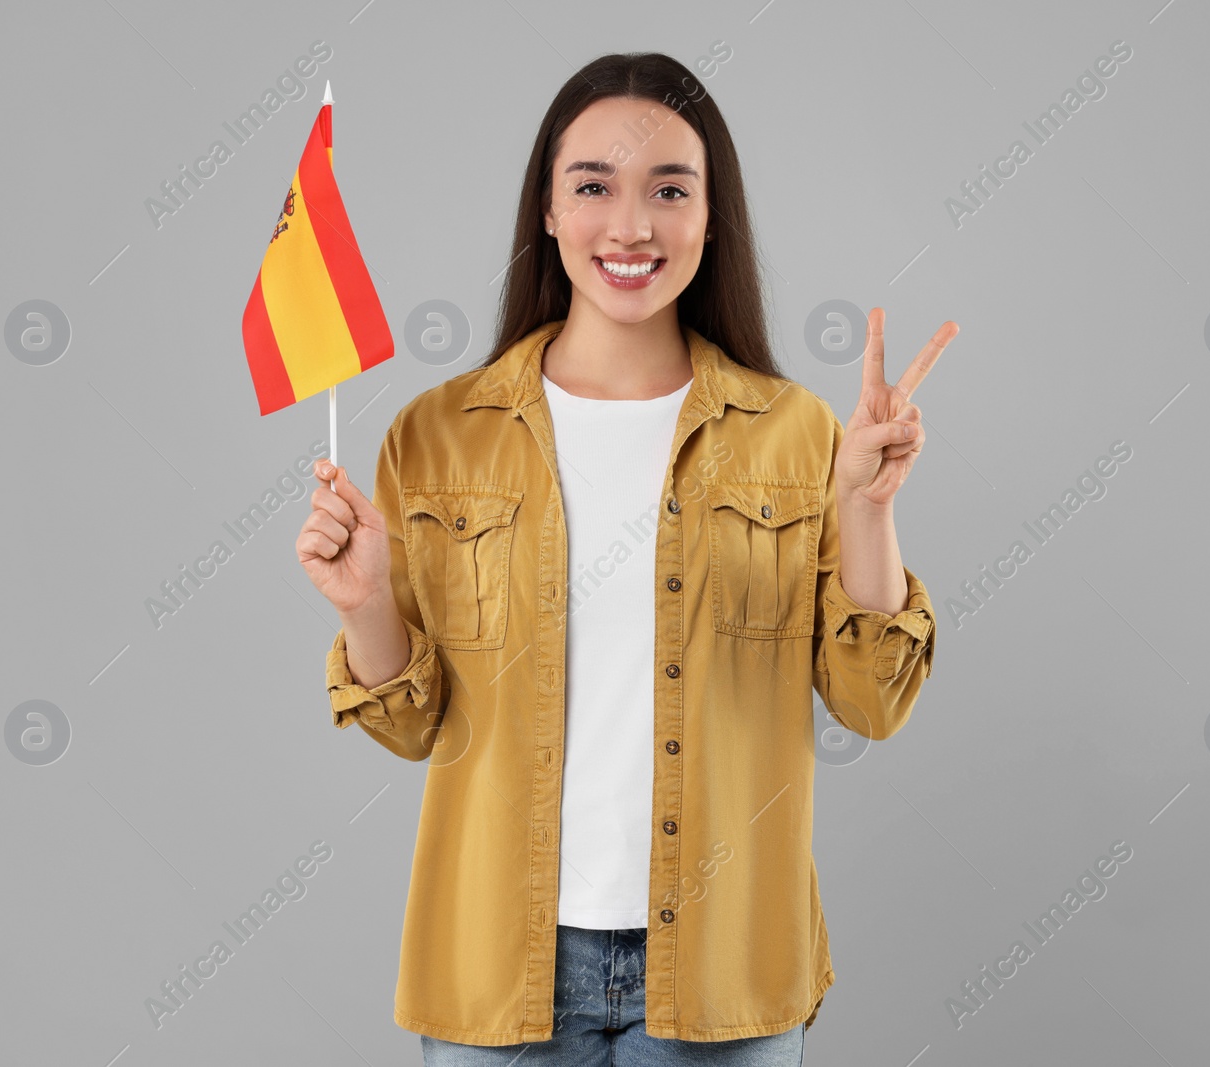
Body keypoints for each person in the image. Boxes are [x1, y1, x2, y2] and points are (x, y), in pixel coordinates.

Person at [296, 51, 955, 1066]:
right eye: (593, 186)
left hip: (724, 966)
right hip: (494, 968)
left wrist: (866, 508)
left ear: (709, 217)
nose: (631, 224)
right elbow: (412, 724)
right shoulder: (438, 437)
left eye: (669, 190)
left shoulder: (794, 432)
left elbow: (871, 700)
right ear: (549, 213)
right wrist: (364, 602)